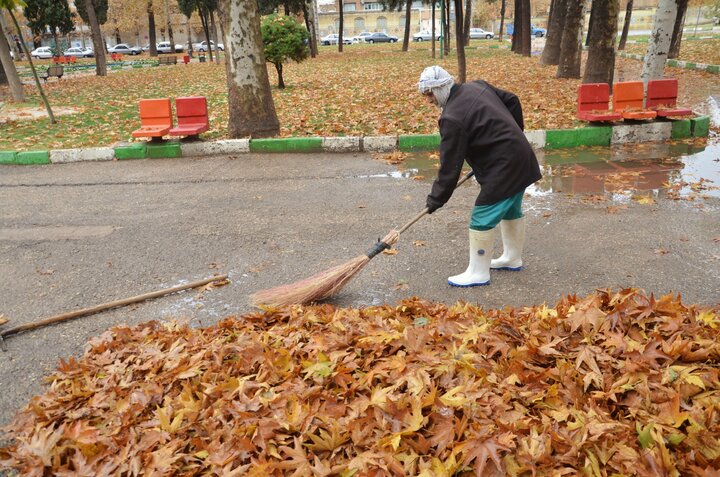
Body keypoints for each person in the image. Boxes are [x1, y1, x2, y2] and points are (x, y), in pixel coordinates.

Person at [417, 65, 541, 287]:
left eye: (429, 94)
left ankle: (478, 272)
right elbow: (512, 100)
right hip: (520, 156)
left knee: (482, 217)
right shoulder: (477, 86)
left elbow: (450, 167)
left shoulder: (452, 118)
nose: (428, 100)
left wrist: (436, 199)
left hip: (505, 166)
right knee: (511, 209)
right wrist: (513, 133)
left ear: (442, 87)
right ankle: (512, 258)